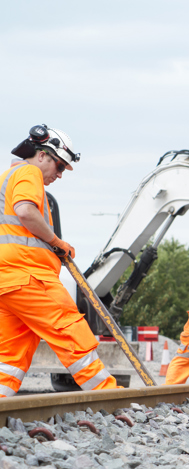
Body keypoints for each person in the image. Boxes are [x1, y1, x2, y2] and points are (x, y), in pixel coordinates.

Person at [0, 125, 121, 396]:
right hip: (28, 276)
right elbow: (26, 211)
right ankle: (109, 396)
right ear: (42, 155)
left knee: (10, 356)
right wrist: (57, 242)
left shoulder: (6, 178)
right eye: (59, 166)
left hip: (7, 282)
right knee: (70, 328)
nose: (59, 174)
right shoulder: (28, 172)